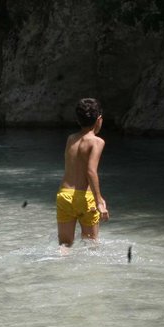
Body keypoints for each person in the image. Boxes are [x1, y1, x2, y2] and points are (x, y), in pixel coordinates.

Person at [56, 97, 110, 247]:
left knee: (65, 245)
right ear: (99, 119)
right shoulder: (97, 142)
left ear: (78, 120)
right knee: (91, 245)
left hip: (65, 195)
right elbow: (91, 171)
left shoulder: (71, 139)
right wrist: (99, 201)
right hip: (85, 198)